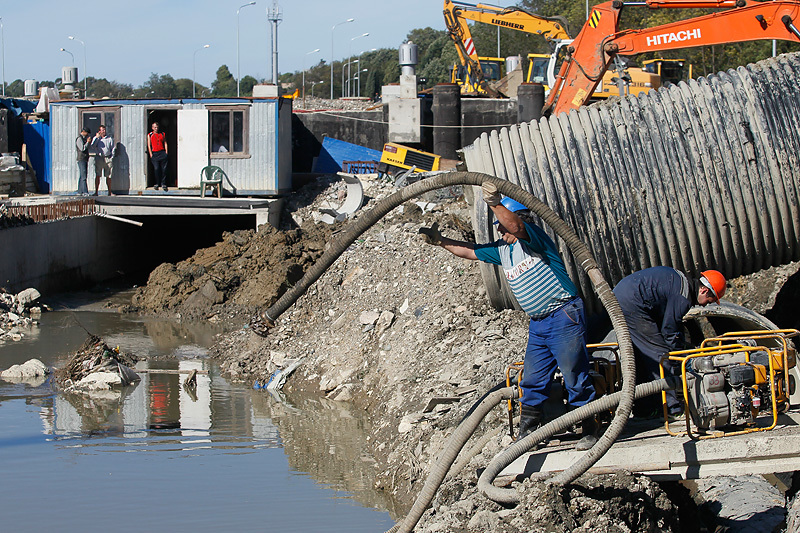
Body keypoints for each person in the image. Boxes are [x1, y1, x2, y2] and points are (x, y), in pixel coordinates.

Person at [419, 182, 598, 450]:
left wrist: (494, 202)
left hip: (563, 315)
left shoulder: (535, 239)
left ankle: (590, 429)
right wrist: (441, 241)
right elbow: (470, 251)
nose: (500, 230)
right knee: (533, 379)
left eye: (502, 223)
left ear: (519, 219)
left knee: (574, 374)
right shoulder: (504, 249)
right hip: (539, 323)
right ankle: (530, 431)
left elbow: (515, 227)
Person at [612, 266, 727, 418]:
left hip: (625, 296)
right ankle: (671, 408)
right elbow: (669, 330)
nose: (705, 305)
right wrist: (679, 357)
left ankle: (644, 408)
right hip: (632, 302)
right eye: (709, 300)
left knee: (641, 357)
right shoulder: (683, 296)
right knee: (660, 356)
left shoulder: (681, 284)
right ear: (704, 291)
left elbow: (669, 324)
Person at [91, 125, 116, 196]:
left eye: (104, 130)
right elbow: (92, 146)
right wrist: (96, 138)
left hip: (107, 158)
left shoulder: (109, 139)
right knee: (98, 175)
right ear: (99, 131)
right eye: (102, 130)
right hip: (99, 158)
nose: (103, 131)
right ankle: (96, 192)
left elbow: (112, 148)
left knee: (108, 176)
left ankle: (109, 191)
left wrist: (112, 156)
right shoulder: (97, 139)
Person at [147, 122, 169, 192]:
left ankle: (163, 183)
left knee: (164, 169)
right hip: (155, 153)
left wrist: (166, 152)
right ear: (152, 128)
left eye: (157, 127)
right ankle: (157, 183)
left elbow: (165, 142)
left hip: (162, 152)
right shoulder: (150, 135)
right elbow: (149, 145)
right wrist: (151, 154)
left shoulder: (162, 134)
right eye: (155, 127)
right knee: (156, 169)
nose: (156, 129)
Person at [75, 127, 91, 196]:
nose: (87, 135)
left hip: (84, 159)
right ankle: (85, 191)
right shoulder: (79, 139)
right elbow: (82, 148)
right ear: (83, 132)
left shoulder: (83, 138)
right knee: (84, 176)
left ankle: (80, 191)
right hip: (81, 159)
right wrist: (87, 142)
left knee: (82, 176)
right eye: (87, 133)